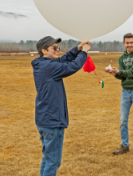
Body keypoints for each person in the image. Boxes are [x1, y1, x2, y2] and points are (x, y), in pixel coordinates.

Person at [32, 36, 90, 176]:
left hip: (44, 120)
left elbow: (63, 60)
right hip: (52, 121)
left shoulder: (43, 64)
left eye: (58, 47)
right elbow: (72, 66)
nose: (58, 50)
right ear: (44, 50)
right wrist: (84, 53)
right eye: (54, 48)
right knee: (53, 161)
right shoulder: (49, 66)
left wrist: (77, 49)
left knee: (48, 157)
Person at [105, 33, 133, 159]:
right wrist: (113, 73)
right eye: (127, 43)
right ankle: (125, 145)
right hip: (125, 91)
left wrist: (119, 71)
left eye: (131, 42)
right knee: (123, 121)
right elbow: (122, 76)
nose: (129, 45)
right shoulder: (121, 58)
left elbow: (132, 72)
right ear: (124, 44)